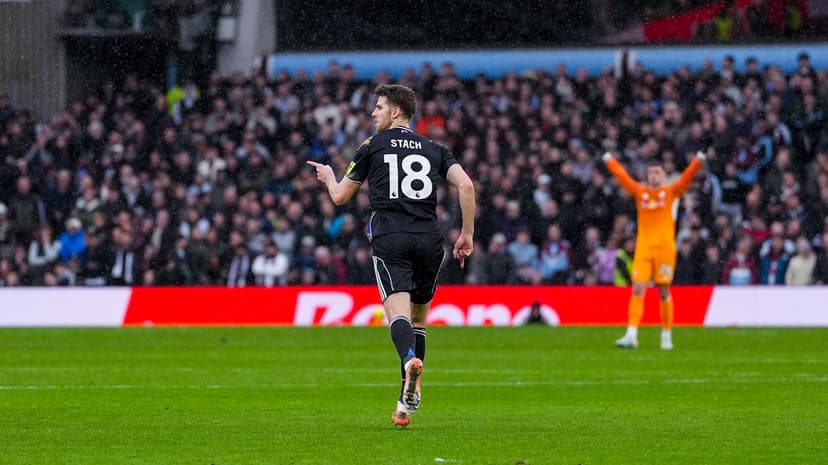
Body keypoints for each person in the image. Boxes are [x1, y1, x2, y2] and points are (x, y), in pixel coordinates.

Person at [307, 84, 475, 427]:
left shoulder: (372, 145)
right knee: (419, 320)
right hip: (430, 239)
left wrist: (327, 177)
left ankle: (409, 359)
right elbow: (467, 186)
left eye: (379, 107)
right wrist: (467, 233)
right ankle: (406, 401)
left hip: (391, 237)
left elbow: (340, 197)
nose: (373, 113)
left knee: (397, 316)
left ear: (396, 111)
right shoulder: (434, 148)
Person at [603, 151, 705, 350]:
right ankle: (631, 334)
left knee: (664, 291)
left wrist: (697, 161)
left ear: (664, 176)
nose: (653, 176)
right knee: (637, 288)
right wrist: (609, 160)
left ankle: (666, 335)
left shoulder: (671, 192)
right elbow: (622, 177)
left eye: (657, 172)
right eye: (650, 173)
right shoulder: (640, 192)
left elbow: (687, 177)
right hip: (644, 247)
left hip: (665, 248)